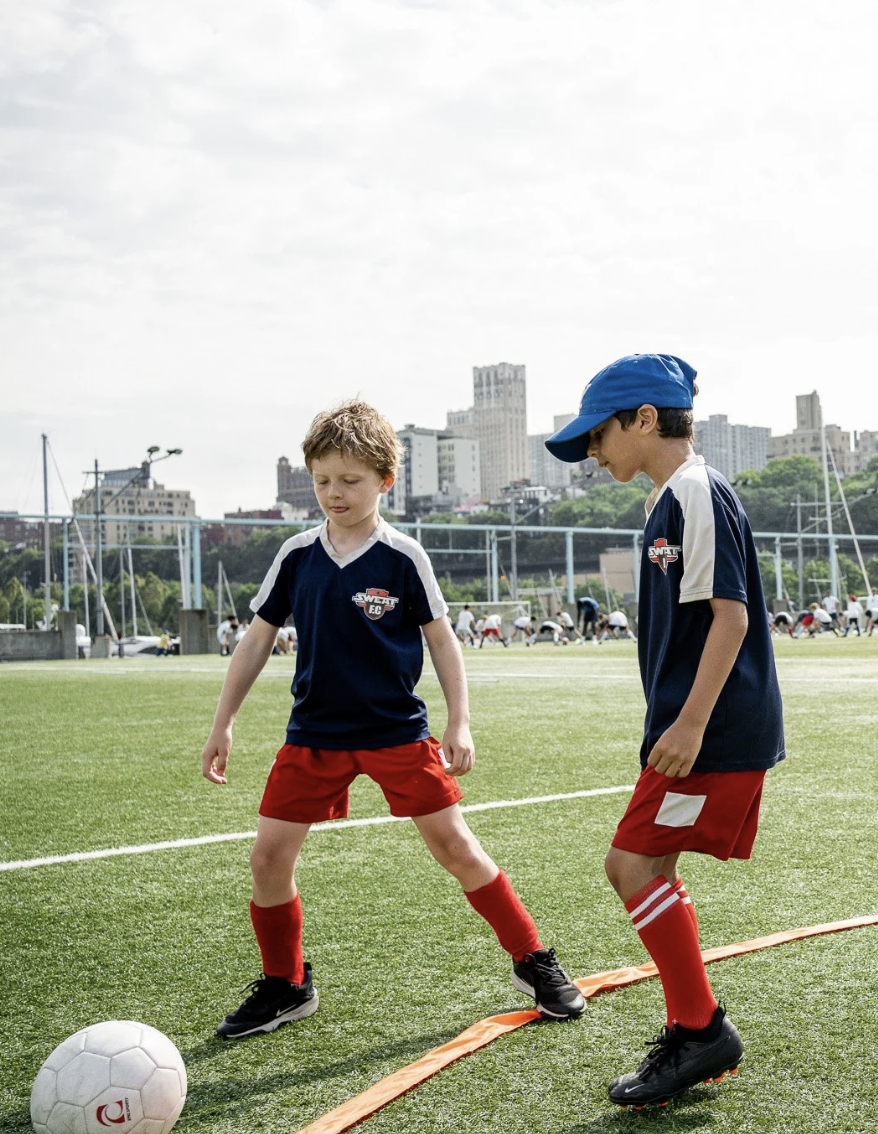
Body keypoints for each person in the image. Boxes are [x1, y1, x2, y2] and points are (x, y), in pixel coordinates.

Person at [199, 399, 585, 1039]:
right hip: (315, 735)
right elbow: (256, 641)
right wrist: (224, 723)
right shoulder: (296, 554)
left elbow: (443, 641)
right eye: (323, 480)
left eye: (349, 480)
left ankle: (533, 959)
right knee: (267, 859)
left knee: (456, 847)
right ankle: (286, 984)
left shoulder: (403, 555)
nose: (334, 493)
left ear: (385, 480)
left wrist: (459, 722)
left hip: (396, 733)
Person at [545, 353, 782, 1107]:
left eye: (598, 435)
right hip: (698, 727)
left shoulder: (695, 491)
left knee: (632, 867)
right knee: (647, 868)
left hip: (712, 731)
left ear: (645, 419)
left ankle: (702, 1029)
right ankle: (693, 1028)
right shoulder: (667, 500)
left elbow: (731, 618)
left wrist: (689, 724)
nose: (592, 452)